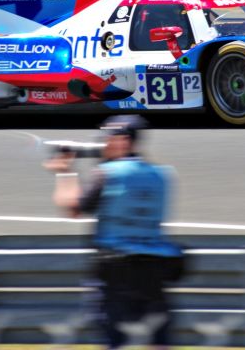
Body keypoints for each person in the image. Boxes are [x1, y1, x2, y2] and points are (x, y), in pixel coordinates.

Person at [44, 115, 183, 349]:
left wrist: (63, 172)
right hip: (156, 269)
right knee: (159, 340)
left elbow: (73, 208)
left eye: (108, 138)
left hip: (116, 271)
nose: (103, 143)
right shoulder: (163, 175)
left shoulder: (107, 173)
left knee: (115, 340)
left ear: (123, 141)